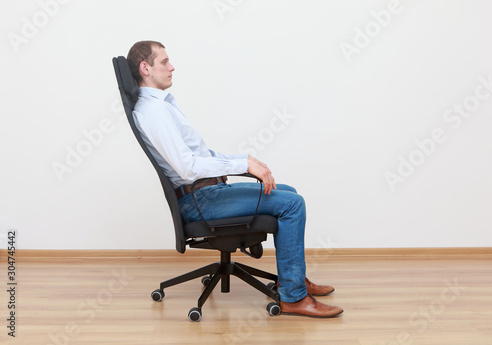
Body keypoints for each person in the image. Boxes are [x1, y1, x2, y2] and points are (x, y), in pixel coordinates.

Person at [127, 40, 343, 318]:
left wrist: (246, 161)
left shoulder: (162, 106)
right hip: (200, 201)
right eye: (164, 62)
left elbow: (199, 155)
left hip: (206, 193)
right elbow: (186, 168)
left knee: (287, 191)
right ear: (145, 68)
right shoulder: (153, 111)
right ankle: (293, 297)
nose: (172, 67)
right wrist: (242, 164)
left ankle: (293, 278)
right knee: (292, 204)